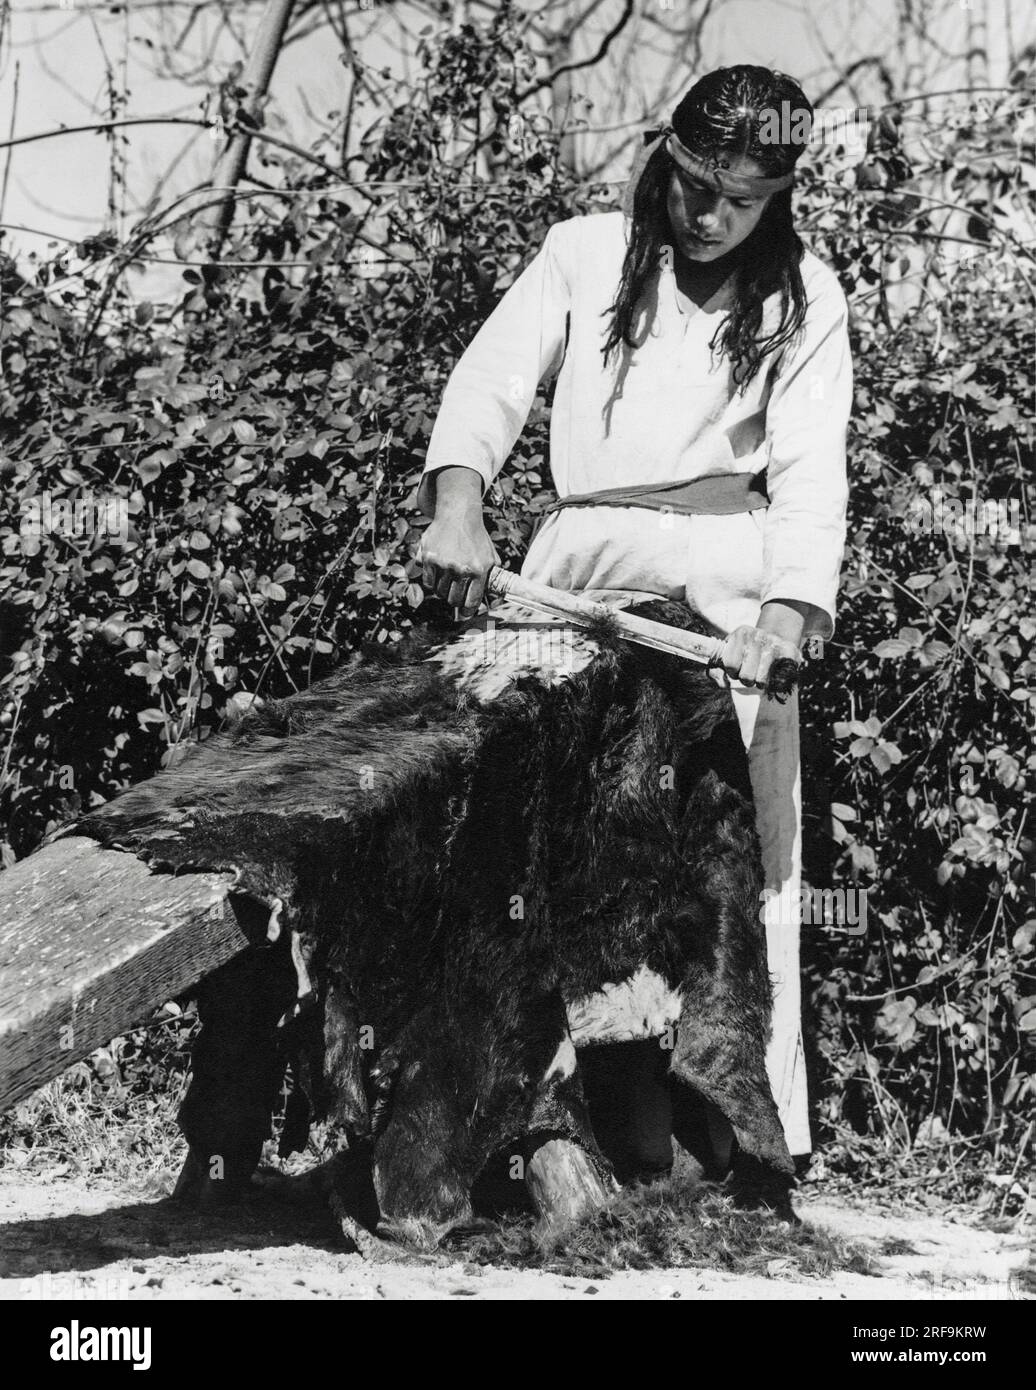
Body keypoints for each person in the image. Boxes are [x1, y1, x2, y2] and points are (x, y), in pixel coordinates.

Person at [417, 65, 852, 1180]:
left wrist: (787, 620)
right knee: (538, 849)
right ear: (666, 152)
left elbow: (811, 476)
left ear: (777, 198)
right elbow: (490, 383)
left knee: (735, 857)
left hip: (725, 597)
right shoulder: (581, 252)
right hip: (575, 576)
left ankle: (737, 1130)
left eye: (738, 200)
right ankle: (520, 1121)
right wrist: (460, 506)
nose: (705, 215)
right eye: (693, 183)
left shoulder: (805, 292)